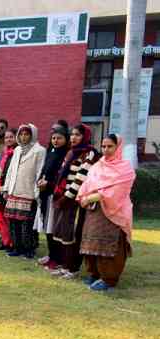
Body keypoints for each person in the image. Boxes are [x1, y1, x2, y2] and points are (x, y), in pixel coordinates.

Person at [77, 134, 136, 291]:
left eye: (110, 146)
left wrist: (93, 196)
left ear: (118, 147)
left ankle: (108, 279)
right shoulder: (97, 166)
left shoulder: (125, 169)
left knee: (109, 244)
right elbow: (87, 183)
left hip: (114, 211)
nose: (106, 150)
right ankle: (94, 274)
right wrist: (84, 196)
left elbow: (118, 191)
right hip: (94, 211)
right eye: (103, 146)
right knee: (91, 241)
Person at [51, 124, 101, 279]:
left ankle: (73, 268)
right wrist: (59, 194)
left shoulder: (90, 153)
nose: (73, 137)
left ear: (85, 137)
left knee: (73, 233)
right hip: (64, 198)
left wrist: (67, 197)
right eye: (72, 134)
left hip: (76, 200)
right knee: (62, 232)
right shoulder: (71, 152)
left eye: (78, 135)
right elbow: (62, 175)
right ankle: (65, 265)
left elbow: (81, 177)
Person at [2, 124, 46, 259]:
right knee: (13, 222)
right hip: (14, 191)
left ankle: (29, 249)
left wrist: (37, 192)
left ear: (32, 135)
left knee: (27, 224)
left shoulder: (39, 150)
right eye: (21, 134)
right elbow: (10, 171)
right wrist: (6, 188)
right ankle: (17, 247)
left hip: (29, 192)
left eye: (26, 134)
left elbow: (40, 171)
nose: (23, 137)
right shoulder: (17, 150)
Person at [35, 123, 70, 271]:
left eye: (59, 138)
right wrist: (40, 181)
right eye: (54, 138)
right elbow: (44, 170)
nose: (56, 140)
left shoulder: (66, 155)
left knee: (53, 227)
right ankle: (51, 255)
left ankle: (58, 259)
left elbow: (60, 176)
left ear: (66, 139)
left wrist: (48, 184)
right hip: (45, 194)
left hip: (54, 195)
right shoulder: (52, 151)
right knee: (46, 226)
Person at [0, 128, 18, 252]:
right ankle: (5, 241)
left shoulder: (17, 153)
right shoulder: (4, 152)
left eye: (11, 137)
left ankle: (11, 243)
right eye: (6, 137)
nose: (8, 139)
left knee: (8, 218)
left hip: (9, 189)